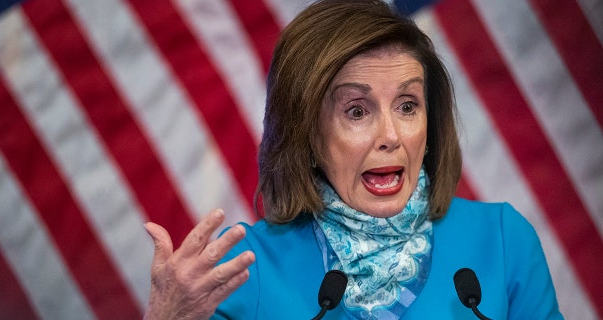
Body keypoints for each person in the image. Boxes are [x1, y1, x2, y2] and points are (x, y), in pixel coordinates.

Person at [143, 0, 564, 319]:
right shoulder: (244, 270)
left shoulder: (502, 241)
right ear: (306, 132)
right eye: (357, 111)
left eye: (407, 105)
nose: (391, 136)